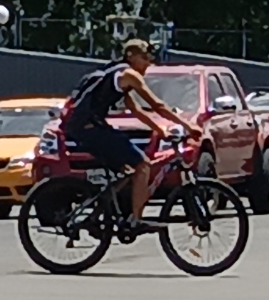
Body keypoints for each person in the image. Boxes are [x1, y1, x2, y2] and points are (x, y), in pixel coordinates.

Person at [59, 38, 197, 229]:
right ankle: (136, 220)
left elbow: (136, 110)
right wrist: (189, 126)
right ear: (131, 56)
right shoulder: (129, 74)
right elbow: (157, 105)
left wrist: (159, 130)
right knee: (142, 165)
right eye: (144, 58)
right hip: (88, 130)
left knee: (129, 171)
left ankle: (102, 210)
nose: (149, 63)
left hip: (85, 128)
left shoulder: (117, 73)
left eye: (150, 58)